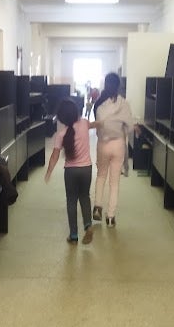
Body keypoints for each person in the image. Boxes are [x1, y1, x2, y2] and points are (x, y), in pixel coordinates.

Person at [44, 99, 94, 244]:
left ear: (61, 117)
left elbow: (54, 156)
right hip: (86, 169)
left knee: (71, 201)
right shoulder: (84, 123)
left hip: (71, 171)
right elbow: (94, 124)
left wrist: (48, 172)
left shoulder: (61, 134)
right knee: (85, 197)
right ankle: (88, 225)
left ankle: (73, 235)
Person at [91, 72, 135, 227]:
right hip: (118, 145)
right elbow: (129, 127)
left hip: (102, 144)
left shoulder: (98, 103)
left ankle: (97, 207)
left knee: (101, 176)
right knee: (114, 182)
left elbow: (97, 125)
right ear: (119, 86)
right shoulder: (123, 103)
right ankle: (110, 217)